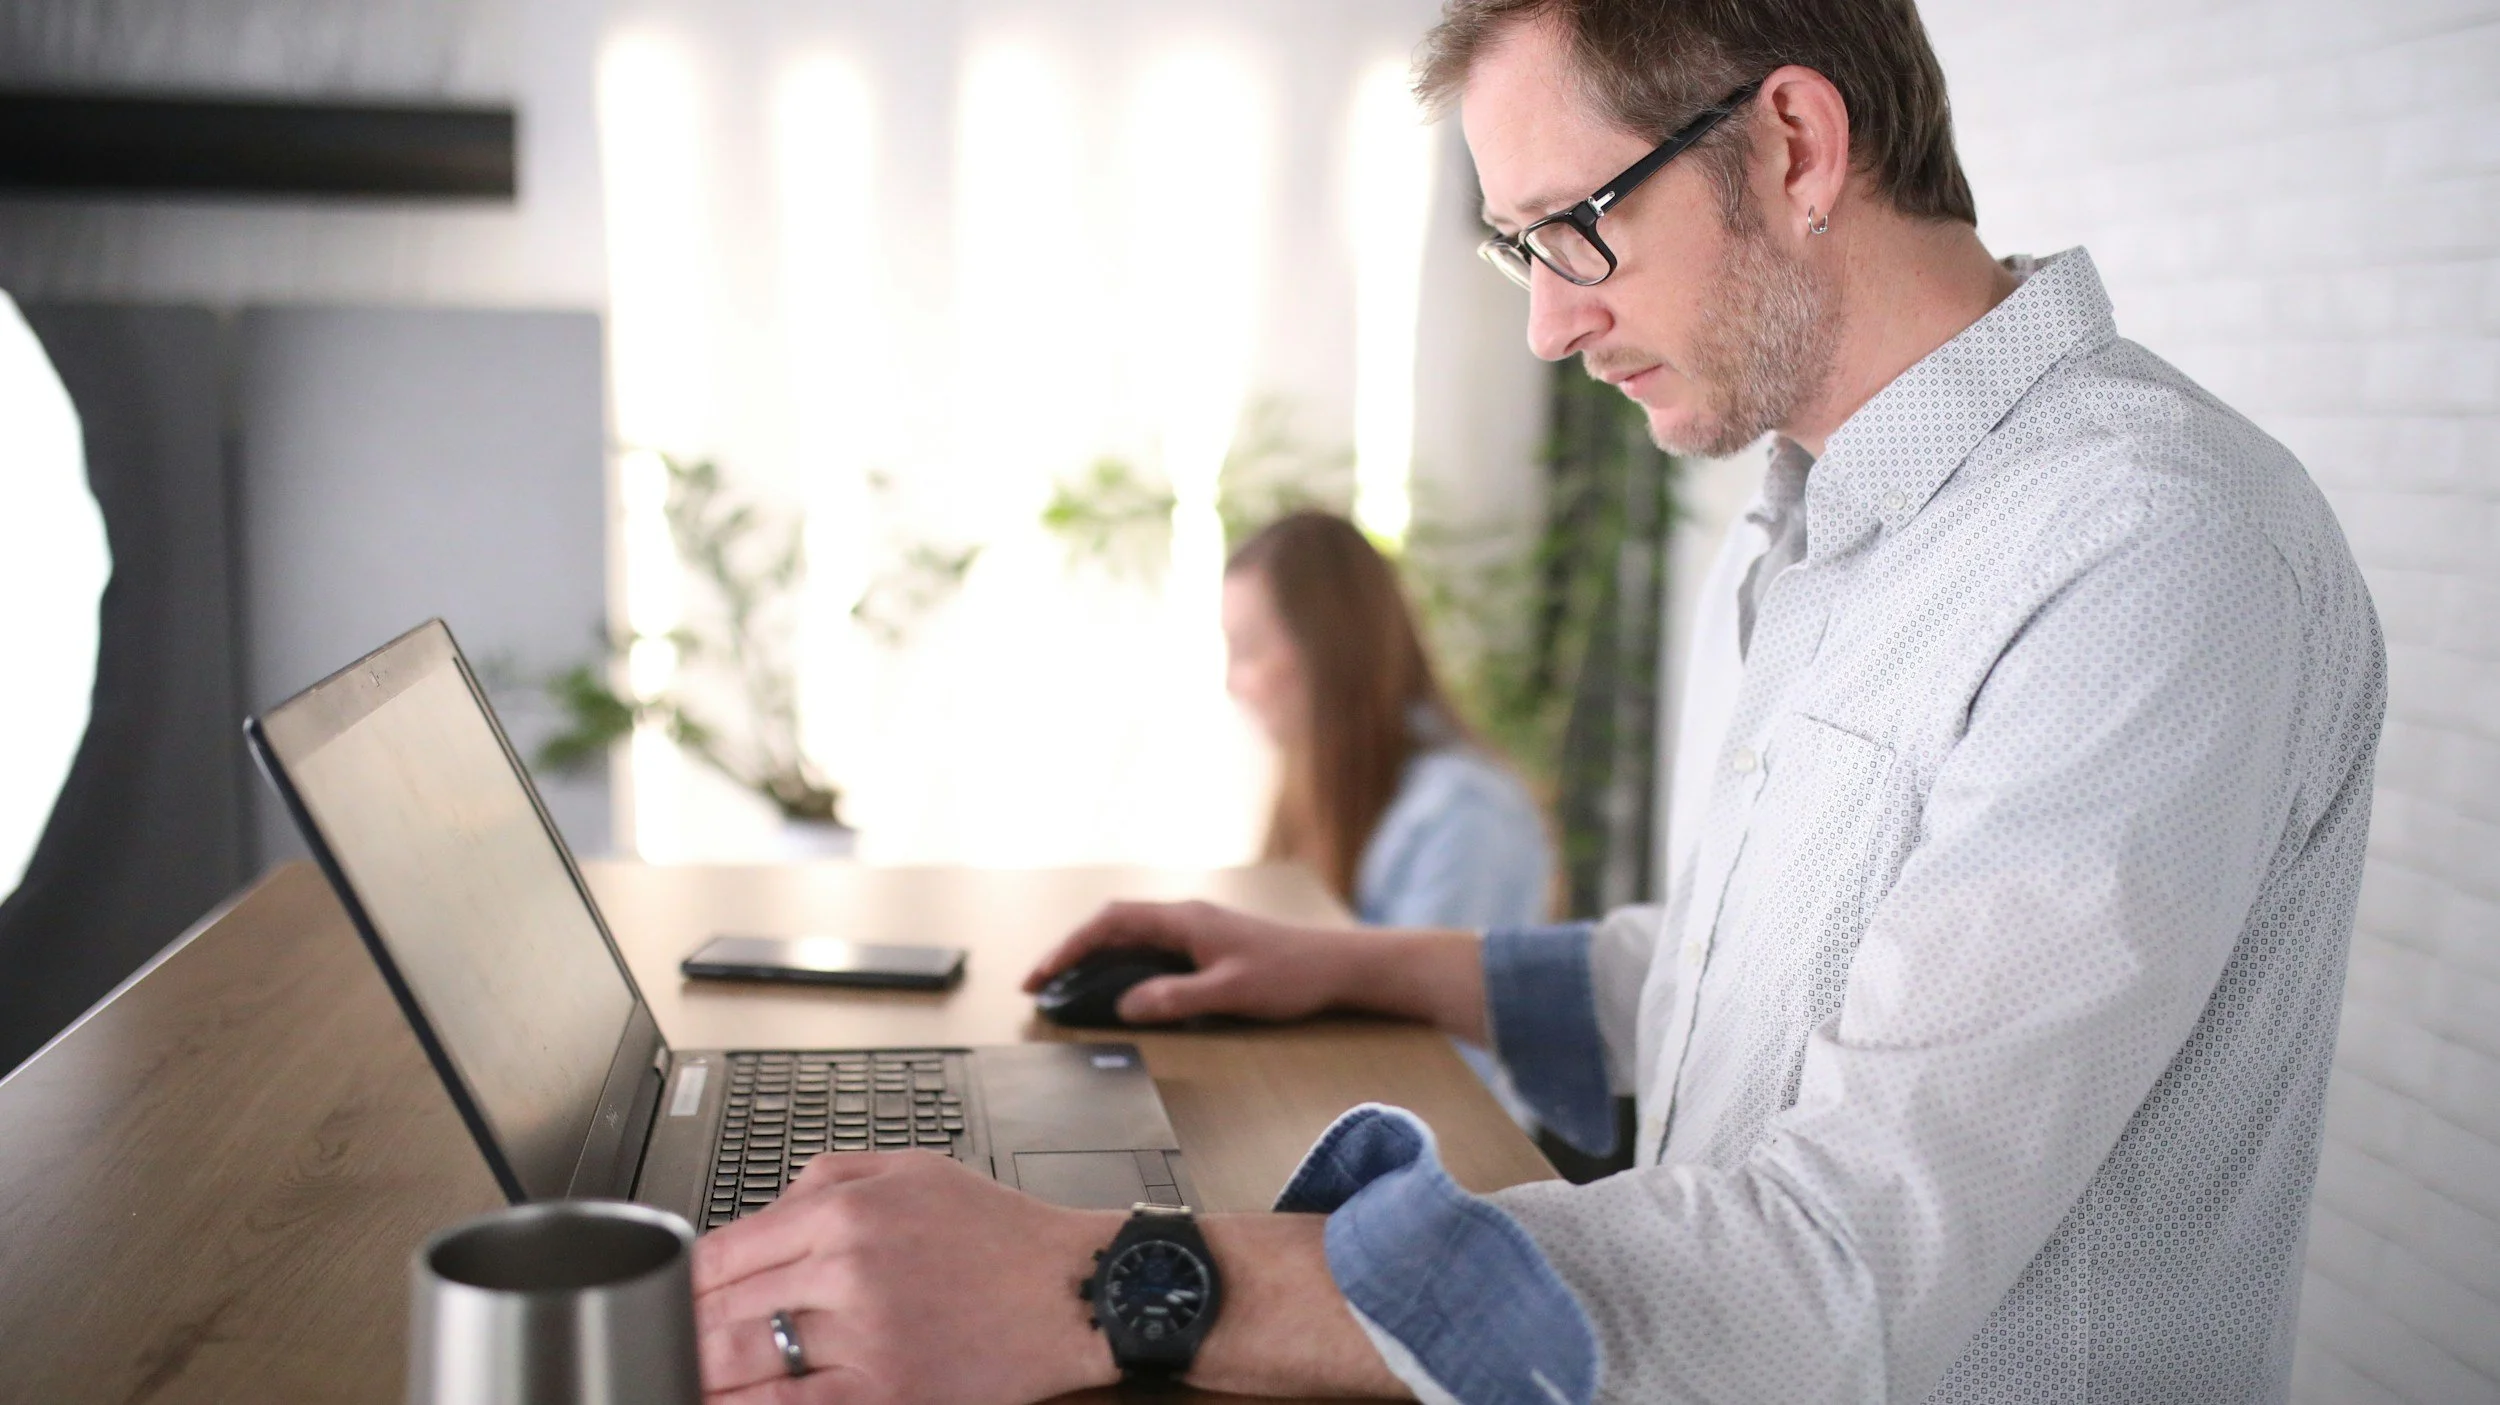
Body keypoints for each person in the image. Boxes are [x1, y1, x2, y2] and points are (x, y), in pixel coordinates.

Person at [687, 1, 2385, 1401]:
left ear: (1795, 146)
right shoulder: (1816, 523)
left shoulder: (2152, 555)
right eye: (1523, 252)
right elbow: (1735, 987)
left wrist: (1103, 1283)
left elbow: (1840, 1251)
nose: (1553, 327)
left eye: (1580, 227)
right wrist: (1339, 961)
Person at [1223, 508, 1549, 1123]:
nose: (1231, 683)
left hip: (1452, 1148)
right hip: (1351, 1116)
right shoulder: (1325, 789)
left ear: (1327, 649)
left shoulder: (1463, 813)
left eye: (1247, 650)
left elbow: (1424, 1062)